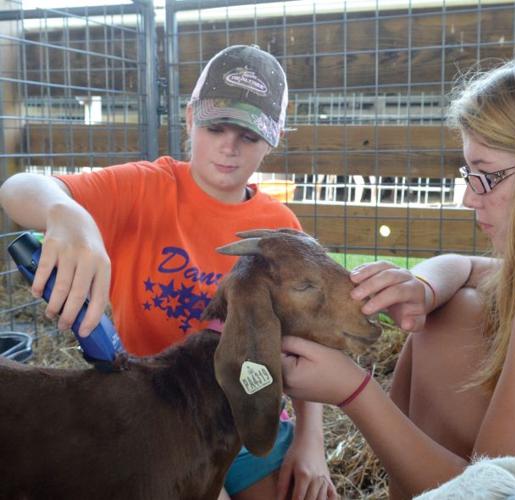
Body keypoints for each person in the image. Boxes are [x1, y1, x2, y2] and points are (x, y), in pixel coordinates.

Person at [280, 51, 515, 499]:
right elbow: (469, 266)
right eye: (467, 173)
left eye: (487, 176)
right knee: (459, 307)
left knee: (448, 323)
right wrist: (425, 287)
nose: (470, 199)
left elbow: (495, 496)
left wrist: (355, 392)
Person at [0, 44, 337, 500]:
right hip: (157, 417)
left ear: (273, 139)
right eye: (216, 126)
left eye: (249, 137)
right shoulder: (143, 188)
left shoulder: (280, 229)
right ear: (190, 116)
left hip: (250, 416)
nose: (229, 147)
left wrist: (309, 442)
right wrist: (64, 209)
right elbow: (18, 188)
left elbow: (303, 338)